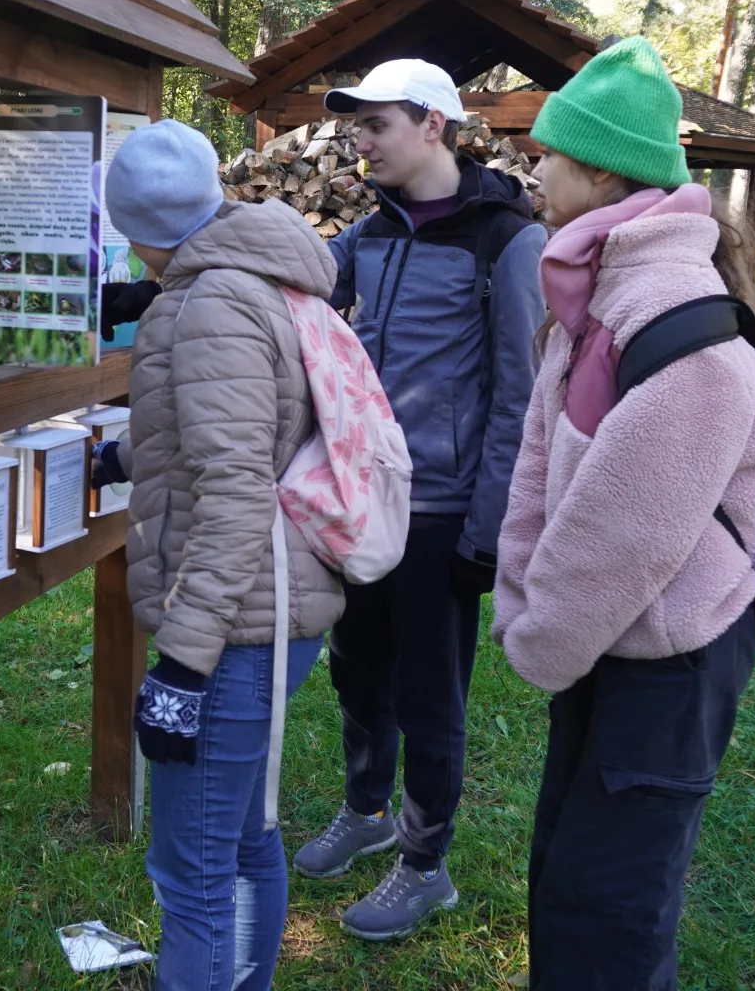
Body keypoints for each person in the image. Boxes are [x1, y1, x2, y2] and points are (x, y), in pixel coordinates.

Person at [490, 36, 755, 989]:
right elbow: (544, 465)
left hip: (667, 656)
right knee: (569, 874)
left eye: (551, 151)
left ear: (604, 168)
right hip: (609, 642)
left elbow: (627, 526)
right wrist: (525, 599)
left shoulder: (669, 311)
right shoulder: (598, 287)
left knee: (608, 913)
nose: (534, 165)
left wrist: (542, 634)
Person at [292, 58, 546, 940]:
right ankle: (365, 810)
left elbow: (522, 394)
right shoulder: (367, 233)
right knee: (359, 671)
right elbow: (298, 299)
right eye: (354, 128)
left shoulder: (506, 239)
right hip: (362, 502)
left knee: (432, 695)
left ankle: (423, 862)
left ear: (433, 124)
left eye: (376, 125)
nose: (359, 143)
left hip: (442, 515)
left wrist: (487, 531)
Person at [99, 118, 345, 991]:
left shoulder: (209, 303)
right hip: (272, 606)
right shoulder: (254, 275)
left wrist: (183, 668)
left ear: (137, 228)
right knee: (245, 839)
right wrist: (123, 458)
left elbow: (237, 489)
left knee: (194, 877)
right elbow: (244, 428)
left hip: (239, 627)